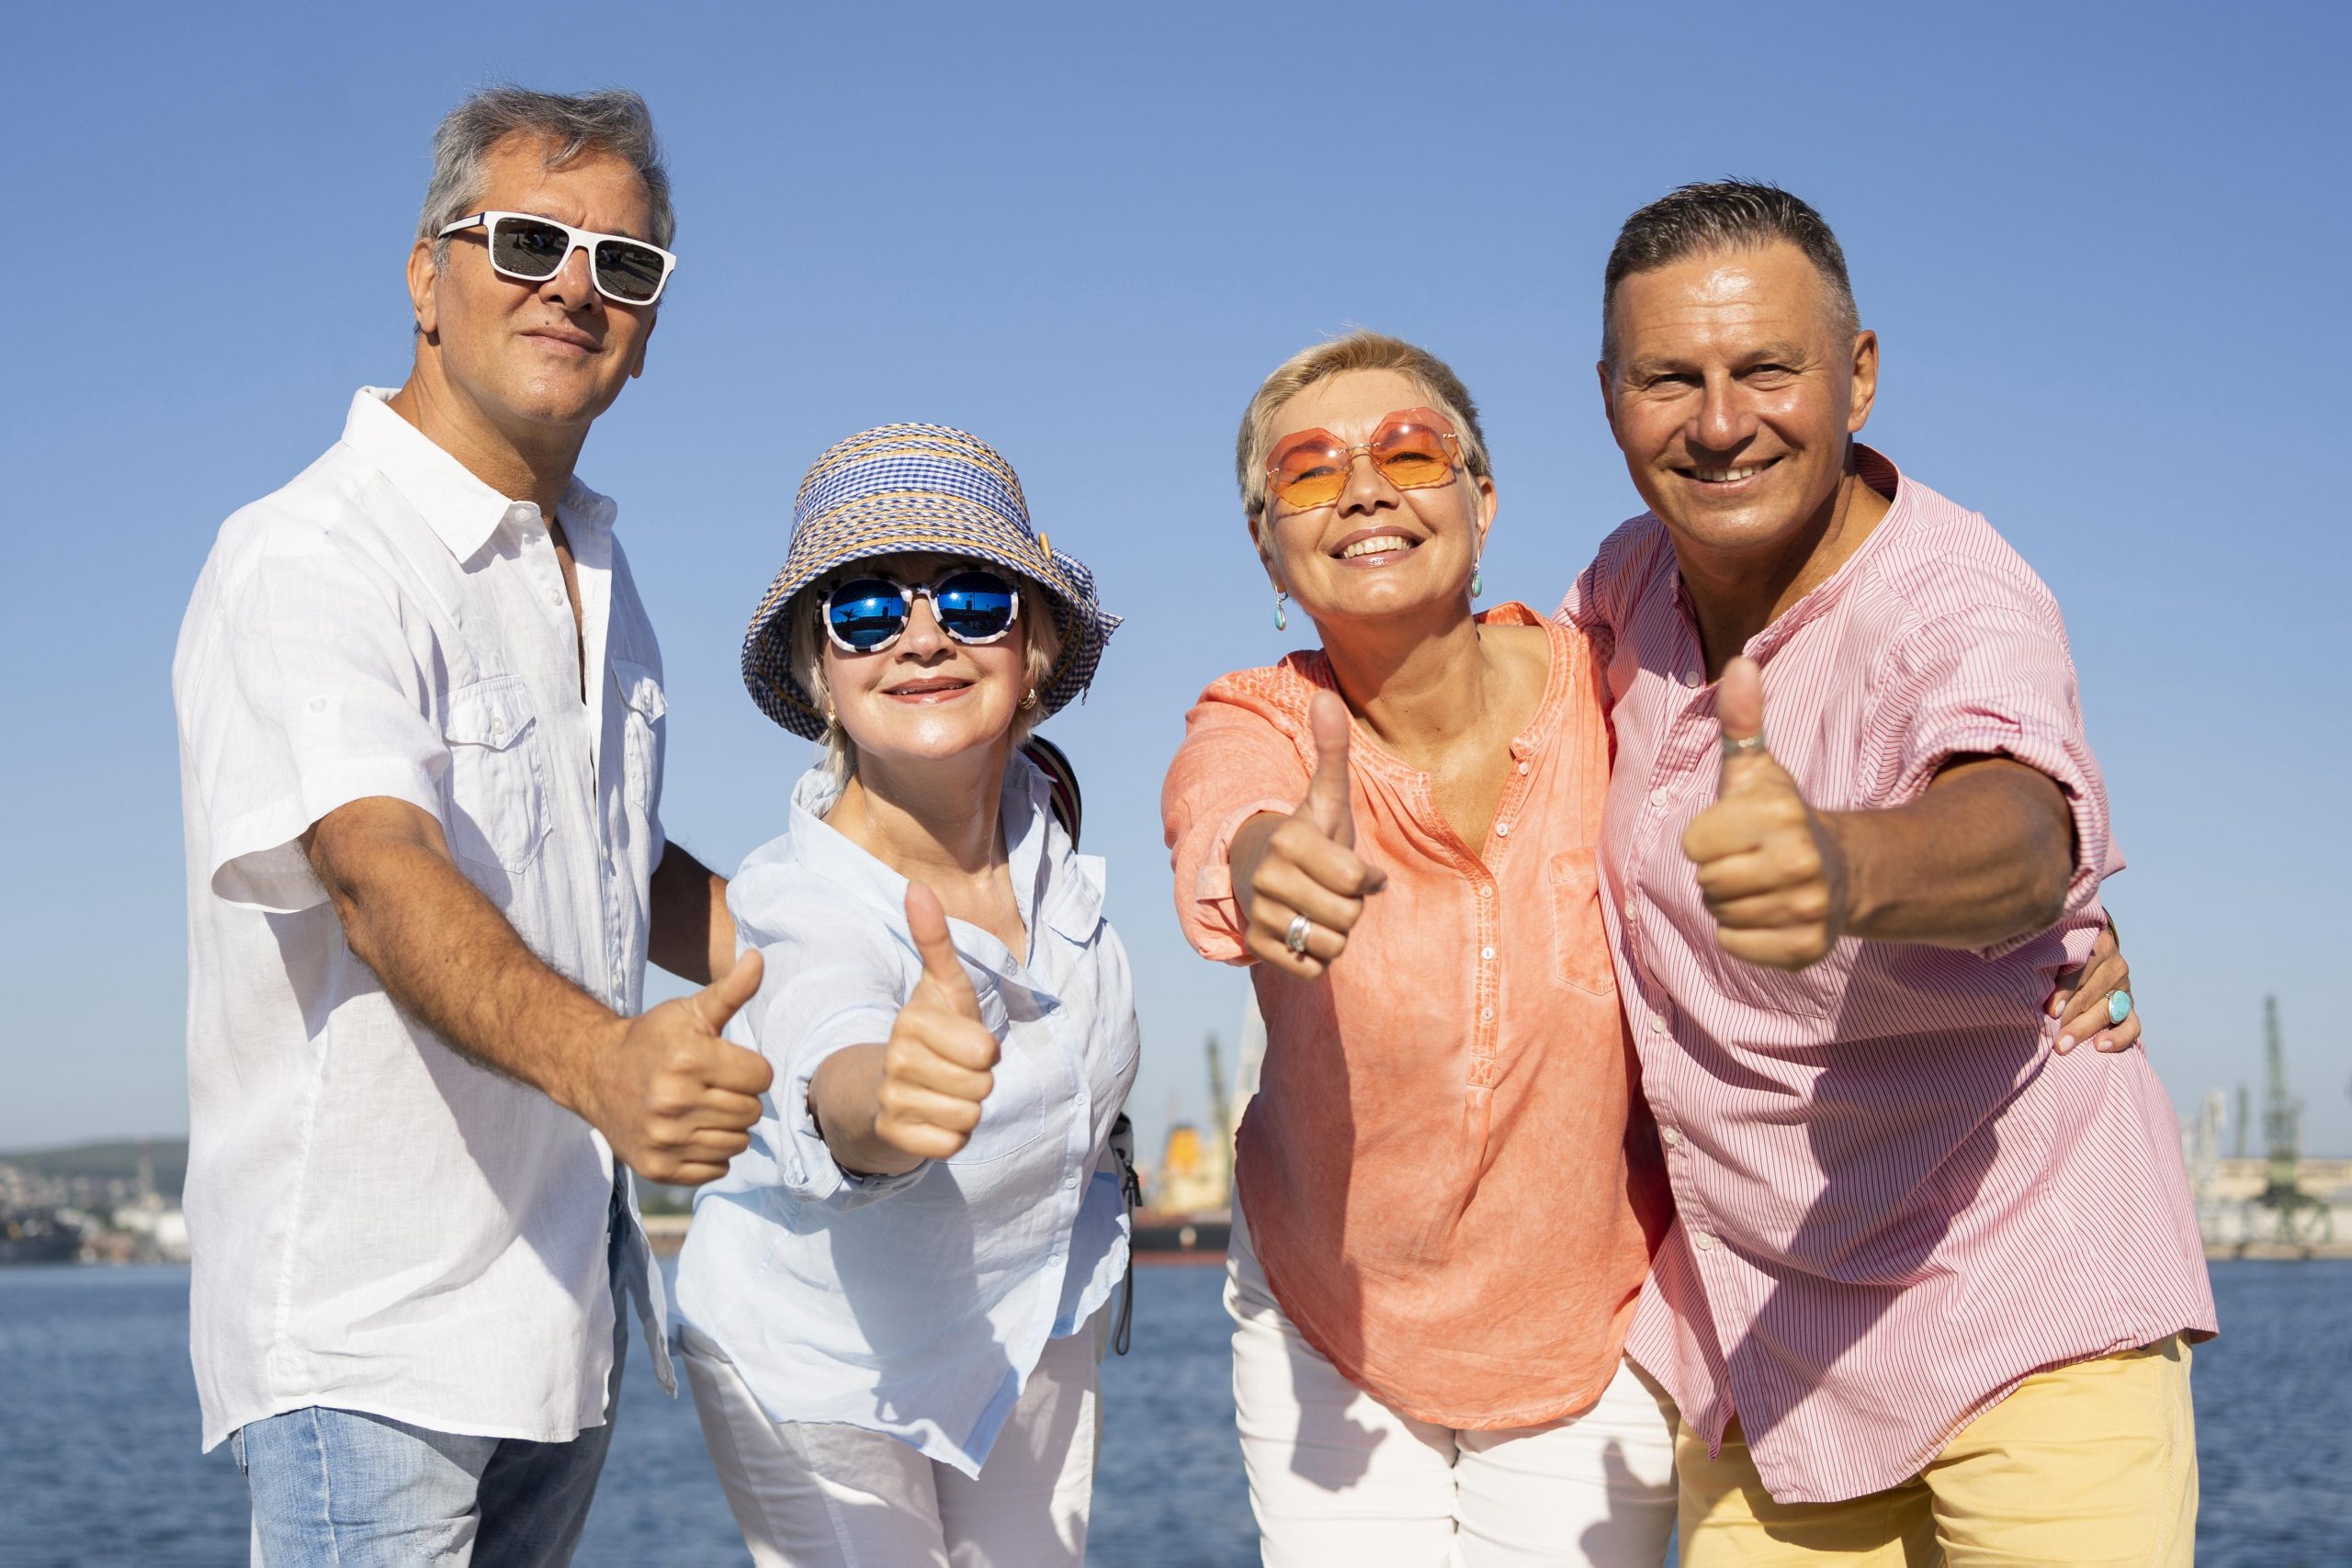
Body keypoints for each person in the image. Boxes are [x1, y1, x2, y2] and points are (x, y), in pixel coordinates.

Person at [1566, 180, 2212, 1563]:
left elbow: (2017, 825)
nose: (1720, 422)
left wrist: (1841, 864)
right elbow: (1478, 698)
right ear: (1609, 396)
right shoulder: (1624, 583)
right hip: (1766, 1344)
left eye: (1768, 369)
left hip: (2023, 1309)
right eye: (1669, 378)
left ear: (1858, 376)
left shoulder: (1955, 594)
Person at [171, 87, 771, 1566]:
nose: (574, 285)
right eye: (527, 242)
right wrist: (611, 1063)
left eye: (623, 263)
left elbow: (612, 862)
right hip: (373, 1343)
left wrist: (836, 941)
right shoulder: (311, 553)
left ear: (650, 322)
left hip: (563, 1323)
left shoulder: (599, 573)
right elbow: (377, 868)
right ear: (425, 278)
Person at [1163, 333, 1685, 1566]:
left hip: (1586, 1319)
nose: (1362, 489)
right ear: (1267, 547)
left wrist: (2060, 933)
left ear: (1481, 500)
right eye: (1307, 470)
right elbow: (1221, 811)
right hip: (1327, 1316)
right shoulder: (1259, 717)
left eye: (1408, 453)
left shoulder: (1613, 687)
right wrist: (1266, 862)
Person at [674, 424, 1135, 1568]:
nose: (923, 636)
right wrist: (887, 1100)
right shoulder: (803, 902)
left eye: (974, 599)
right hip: (823, 1370)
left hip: (1030, 1316)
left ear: (1032, 652)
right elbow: (835, 1059)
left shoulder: (1043, 812)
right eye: (865, 609)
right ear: (819, 674)